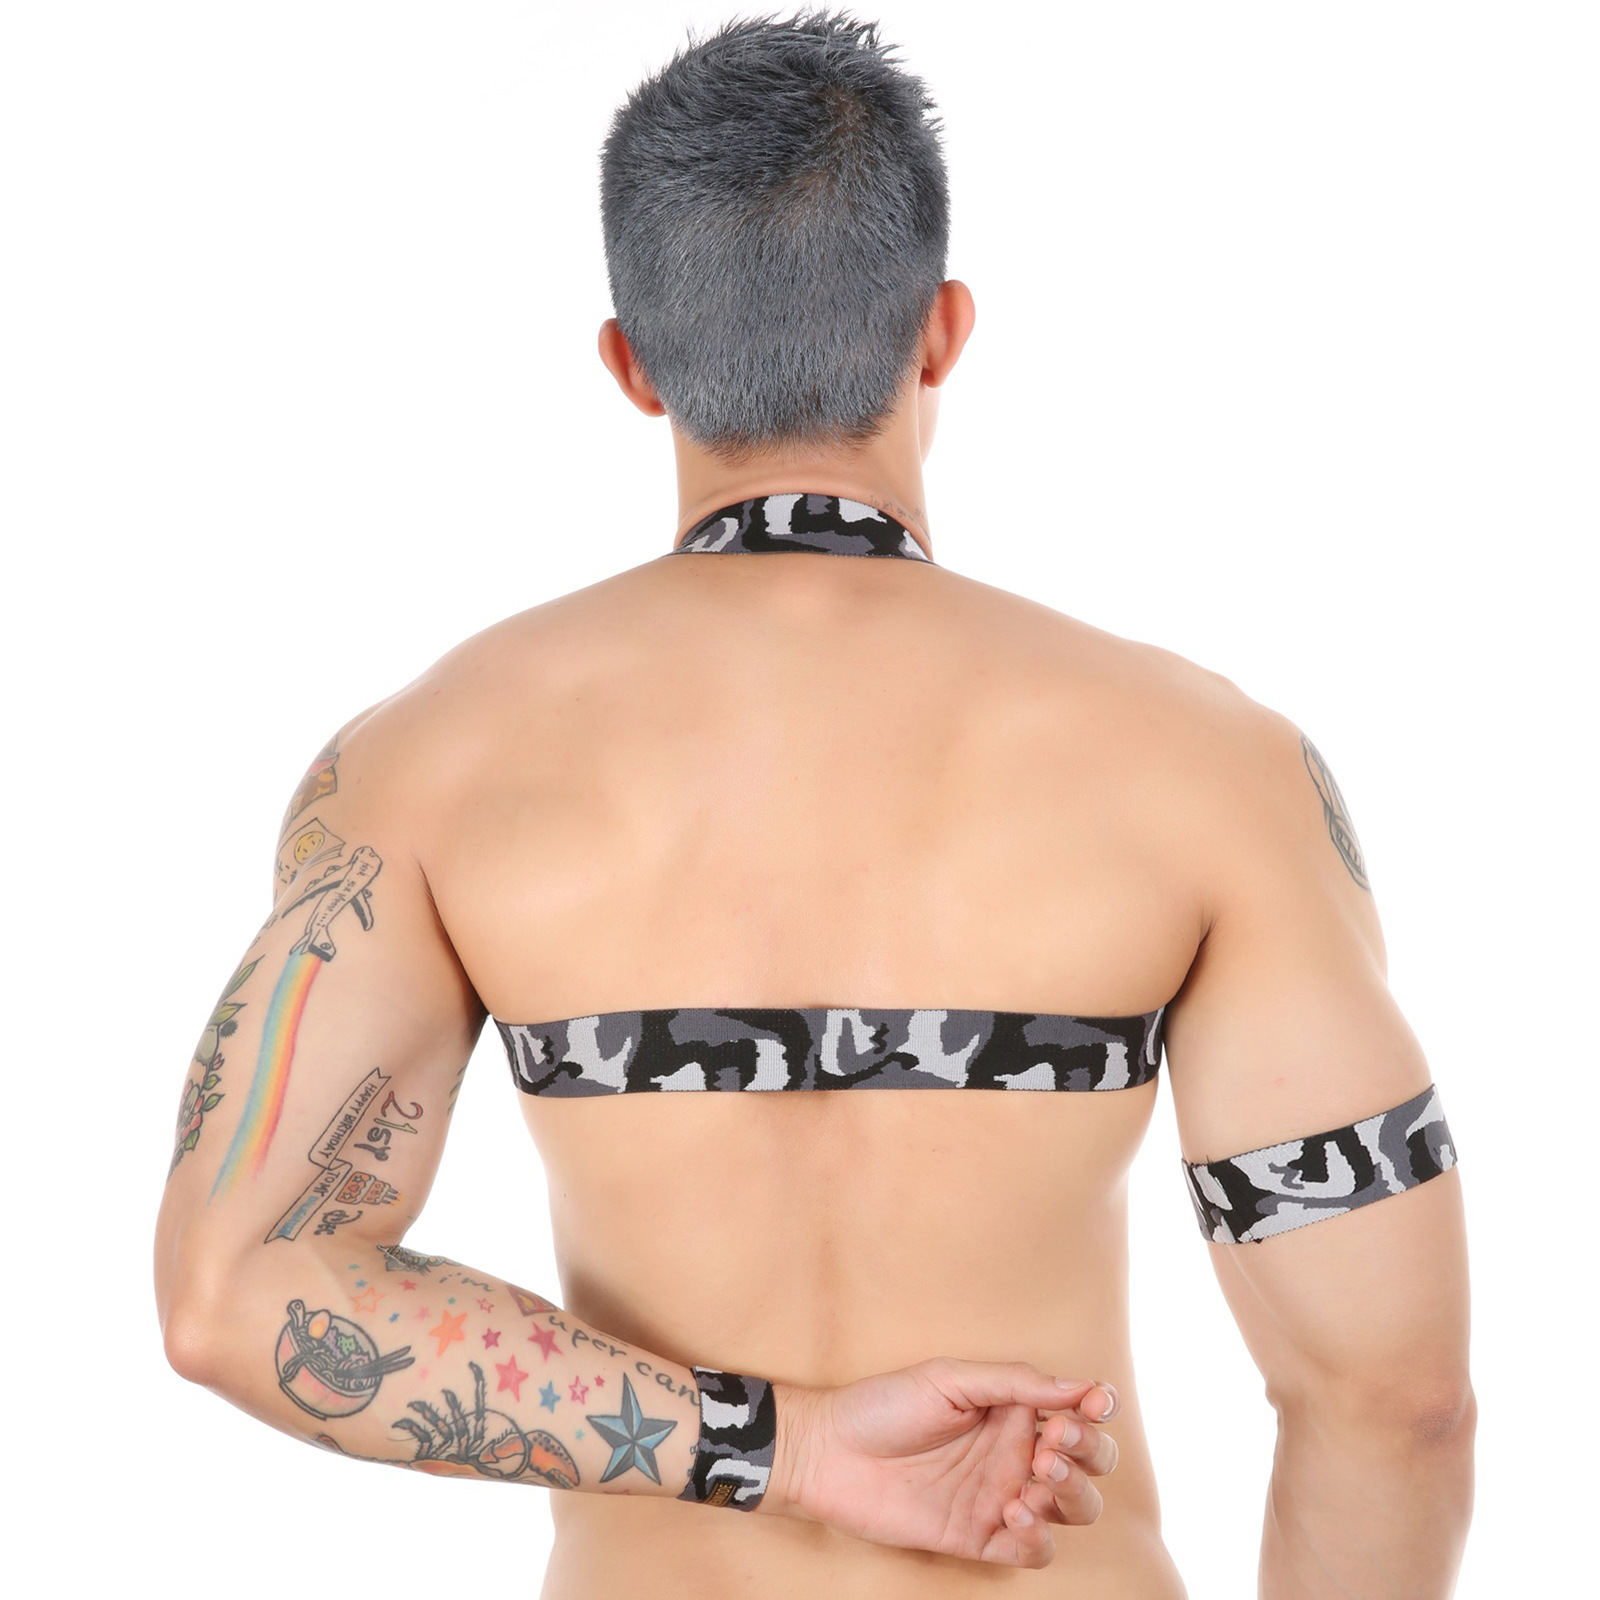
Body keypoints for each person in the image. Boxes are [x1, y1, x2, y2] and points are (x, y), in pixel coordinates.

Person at [155, 13, 1474, 1597]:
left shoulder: (428, 765)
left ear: (631, 363)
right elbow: (1393, 1402)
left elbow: (237, 1296)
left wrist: (786, 1450)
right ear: (943, 331)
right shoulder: (1209, 766)